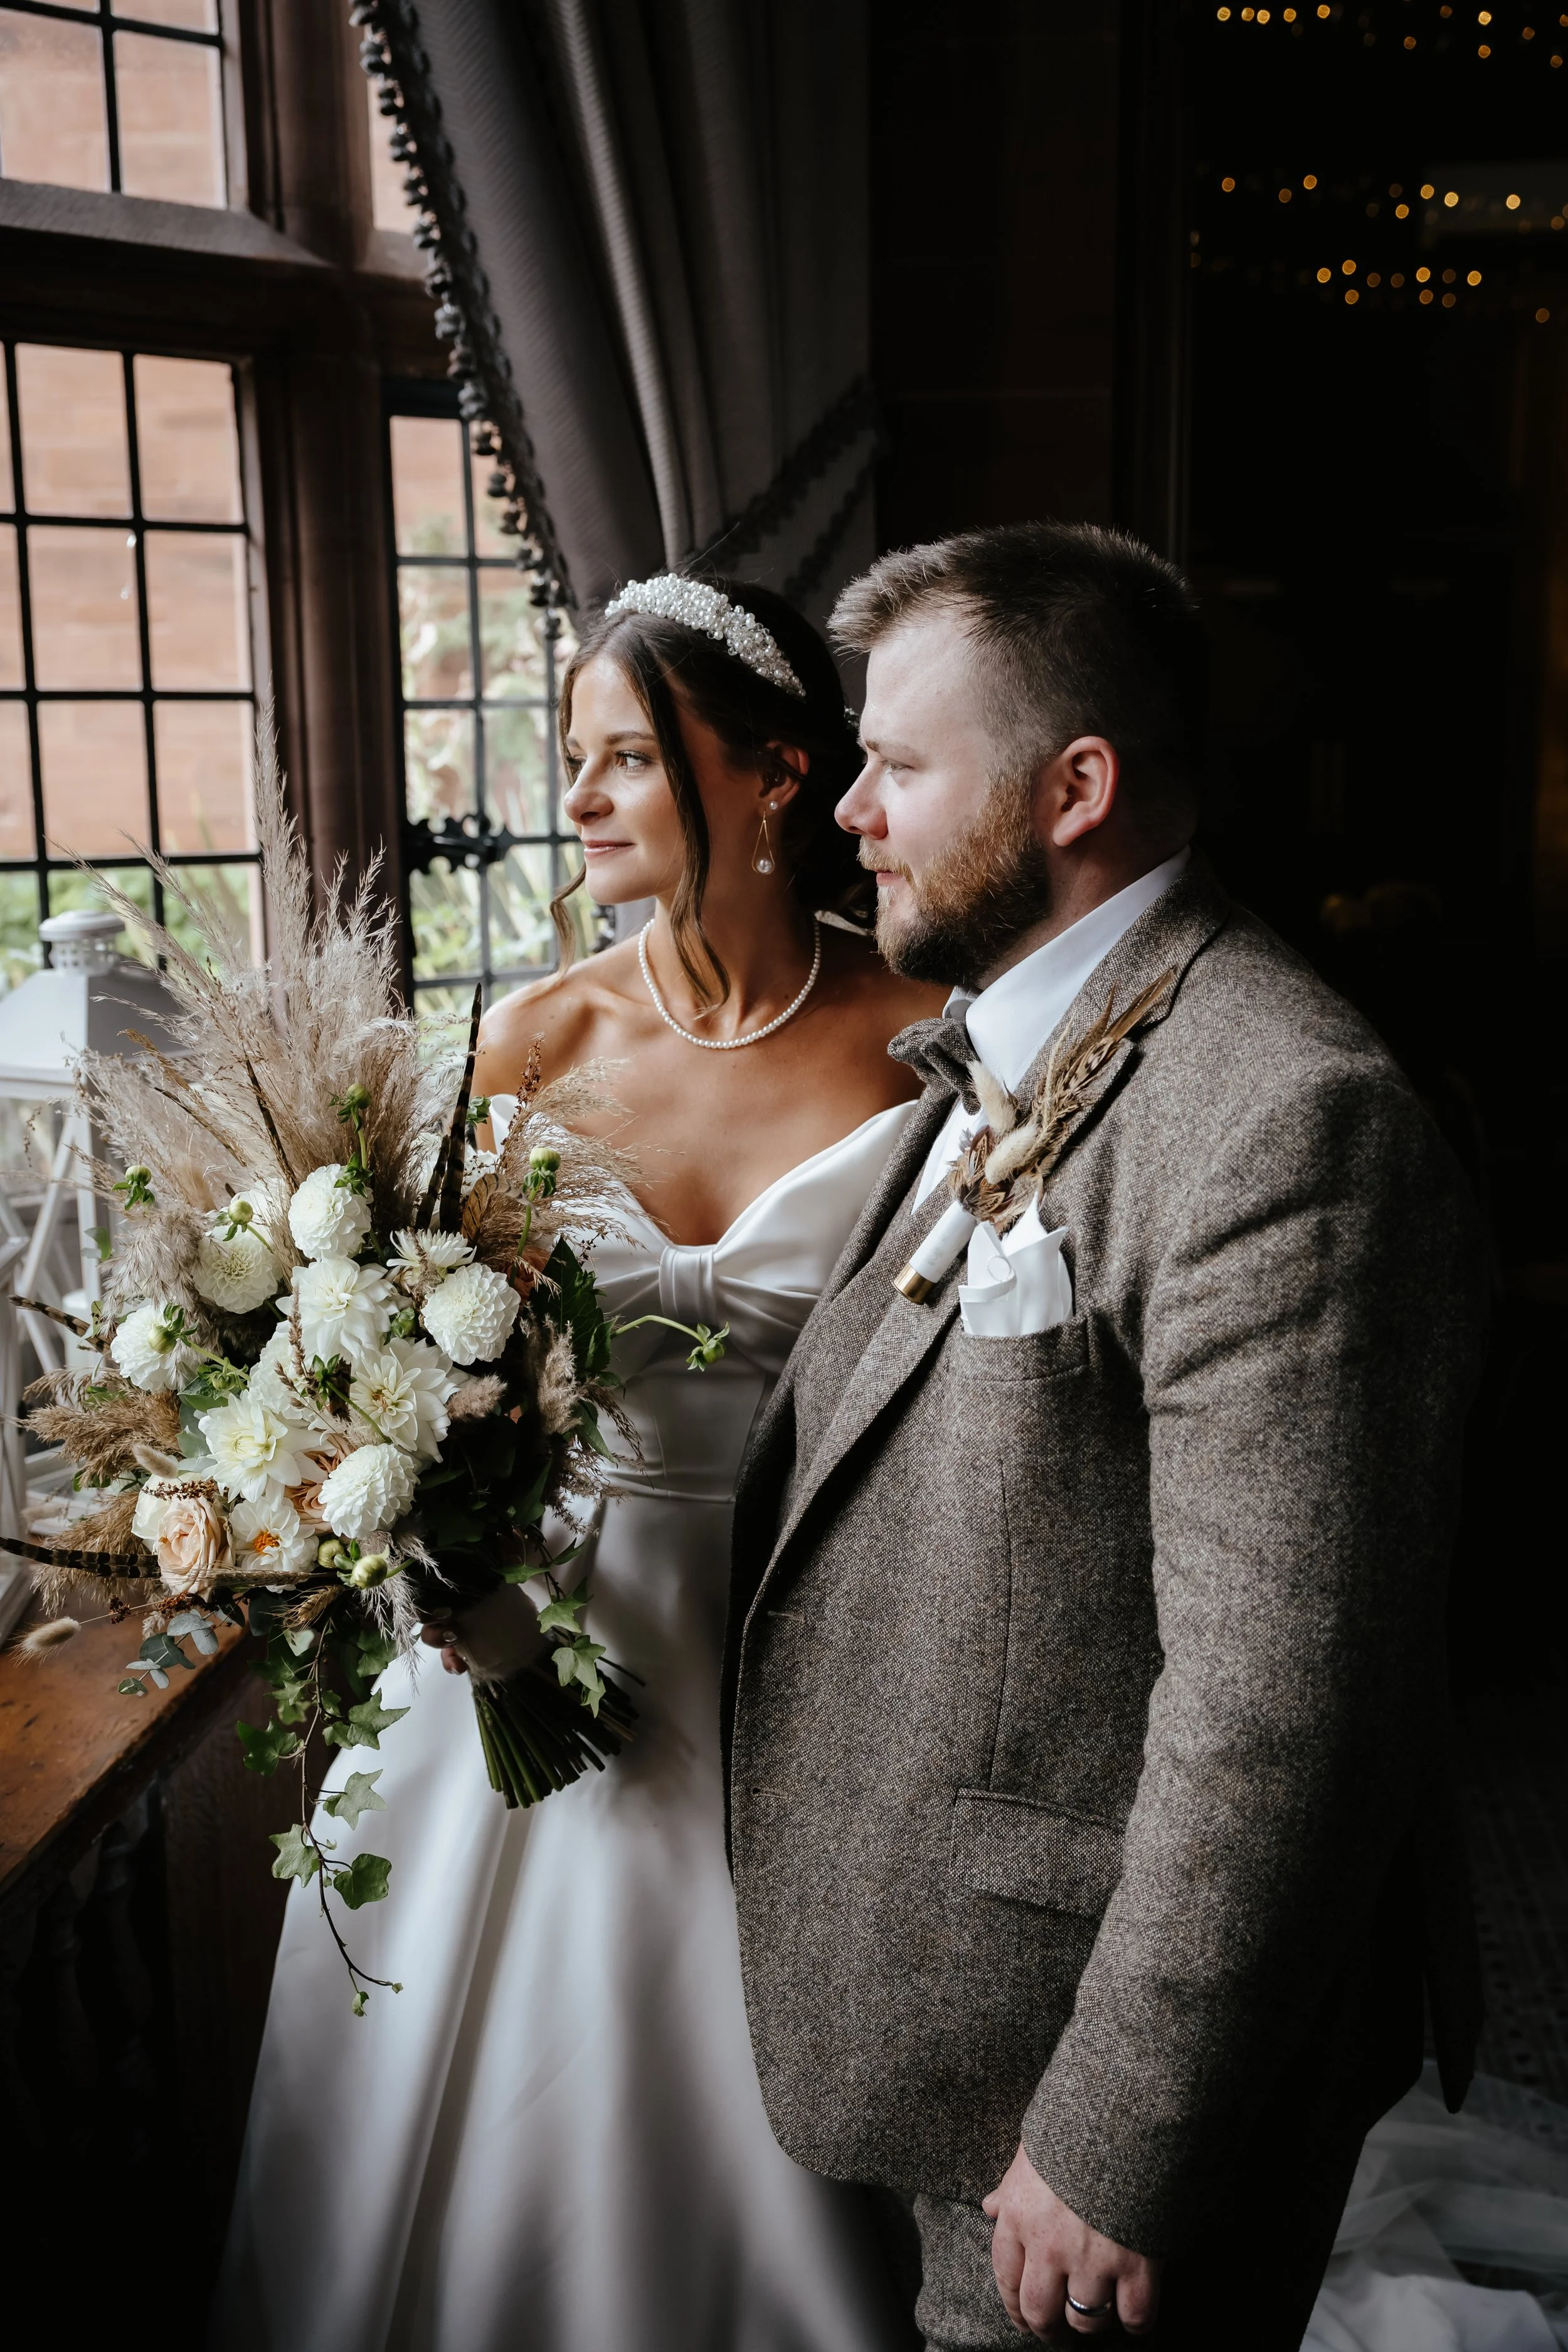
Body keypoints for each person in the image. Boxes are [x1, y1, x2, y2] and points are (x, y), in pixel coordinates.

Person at [723, 521, 1488, 2351]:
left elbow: (1281, 1696)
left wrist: (1120, 2136)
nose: (848, 809)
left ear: (1076, 787)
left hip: (1072, 2090)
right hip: (952, 2017)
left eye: (900, 763)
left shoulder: (1287, 1117)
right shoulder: (1010, 1034)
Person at [211, 577, 941, 2352]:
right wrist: (431, 1560)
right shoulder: (532, 1040)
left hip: (795, 1633)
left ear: (777, 775)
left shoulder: (923, 1036)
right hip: (518, 1628)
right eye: (576, 759)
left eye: (631, 755)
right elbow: (387, 1350)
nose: (586, 796)